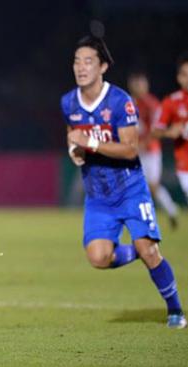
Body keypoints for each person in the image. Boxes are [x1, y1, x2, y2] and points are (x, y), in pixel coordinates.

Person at [63, 37, 185, 328]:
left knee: (151, 252)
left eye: (88, 61)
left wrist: (89, 142)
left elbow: (130, 149)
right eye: (77, 61)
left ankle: (175, 310)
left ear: (103, 66)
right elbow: (73, 135)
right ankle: (139, 250)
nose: (81, 66)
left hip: (129, 189)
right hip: (98, 194)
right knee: (98, 257)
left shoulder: (120, 101)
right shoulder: (68, 101)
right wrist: (74, 152)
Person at [127, 71, 179, 229]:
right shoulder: (128, 103)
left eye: (141, 83)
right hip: (134, 151)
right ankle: (133, 220)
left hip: (151, 151)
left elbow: (157, 130)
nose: (138, 87)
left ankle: (171, 210)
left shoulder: (152, 104)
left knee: (153, 186)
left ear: (146, 85)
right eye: (135, 84)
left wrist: (144, 143)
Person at [154, 52, 188, 203]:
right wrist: (170, 131)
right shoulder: (171, 102)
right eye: (186, 75)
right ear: (179, 78)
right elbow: (155, 131)